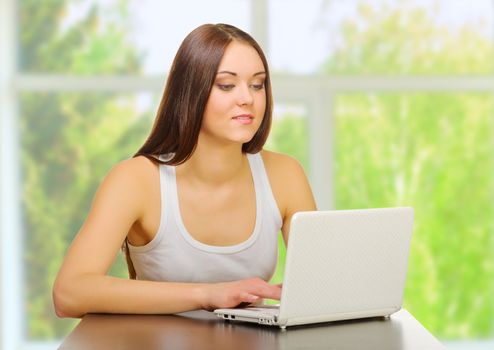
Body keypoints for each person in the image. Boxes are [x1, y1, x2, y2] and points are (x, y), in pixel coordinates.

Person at [53, 23, 316, 318]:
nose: (248, 98)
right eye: (227, 85)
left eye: (257, 84)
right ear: (191, 92)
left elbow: (321, 286)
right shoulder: (136, 180)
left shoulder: (285, 174)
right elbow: (70, 293)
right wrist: (207, 294)